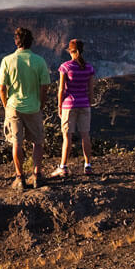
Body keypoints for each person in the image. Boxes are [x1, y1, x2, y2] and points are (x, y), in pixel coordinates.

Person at [0, 27, 51, 190]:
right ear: (31, 42)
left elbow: (1, 88)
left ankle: (20, 178)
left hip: (14, 107)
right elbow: (44, 86)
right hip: (33, 107)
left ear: (16, 41)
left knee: (16, 143)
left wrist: (6, 105)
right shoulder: (39, 61)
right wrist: (41, 103)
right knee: (38, 142)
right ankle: (37, 175)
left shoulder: (7, 60)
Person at [51, 38, 95, 177]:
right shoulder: (89, 68)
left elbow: (61, 90)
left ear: (70, 51)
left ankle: (63, 166)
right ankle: (88, 165)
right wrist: (90, 103)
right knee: (85, 135)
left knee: (67, 137)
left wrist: (59, 106)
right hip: (84, 104)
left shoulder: (65, 67)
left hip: (69, 105)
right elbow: (91, 90)